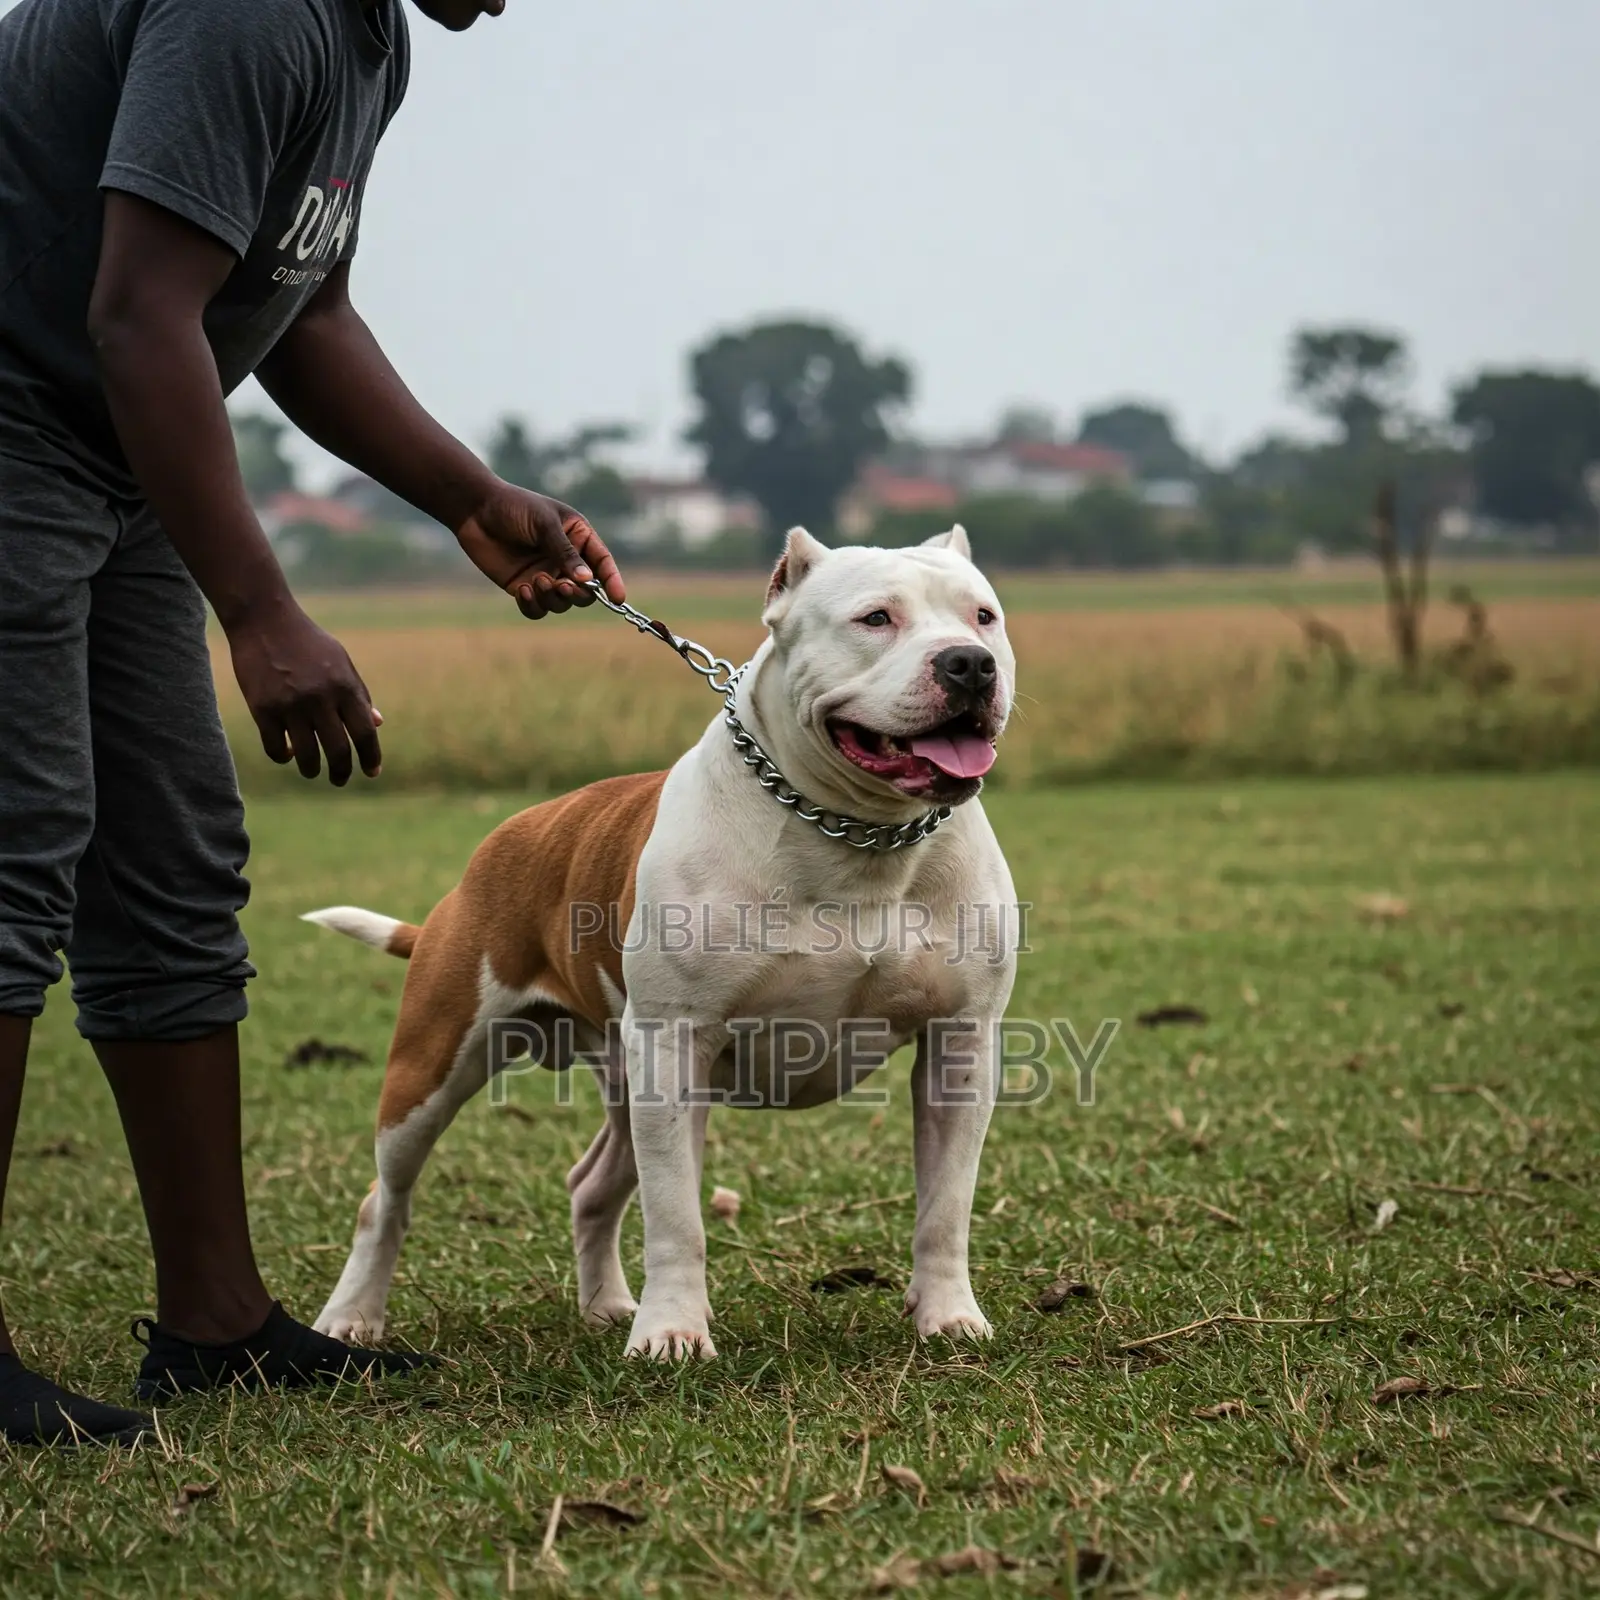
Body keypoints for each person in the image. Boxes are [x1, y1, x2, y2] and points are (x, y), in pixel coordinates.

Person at [0, 0, 625, 1446]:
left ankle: (215, 1328)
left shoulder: (364, 40)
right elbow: (138, 308)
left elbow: (302, 307)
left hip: (118, 437)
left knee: (171, 864)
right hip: (31, 416)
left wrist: (472, 496)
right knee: (16, 851)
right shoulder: (251, 8)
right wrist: (263, 612)